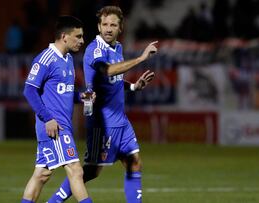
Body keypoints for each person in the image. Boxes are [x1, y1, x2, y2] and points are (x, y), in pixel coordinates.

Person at [48, 6, 157, 203]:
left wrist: (133, 86)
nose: (108, 28)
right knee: (90, 171)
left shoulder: (118, 48)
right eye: (104, 24)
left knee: (134, 163)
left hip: (121, 121)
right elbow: (107, 71)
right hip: (102, 122)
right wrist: (141, 58)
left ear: (120, 28)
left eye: (113, 24)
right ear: (98, 27)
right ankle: (53, 201)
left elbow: (112, 82)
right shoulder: (94, 49)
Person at [21, 16, 93, 203]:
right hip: (55, 126)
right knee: (76, 170)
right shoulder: (46, 58)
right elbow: (29, 89)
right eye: (78, 36)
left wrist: (82, 97)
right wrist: (47, 118)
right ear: (64, 36)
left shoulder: (68, 59)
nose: (82, 41)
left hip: (60, 125)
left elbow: (64, 93)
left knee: (42, 174)